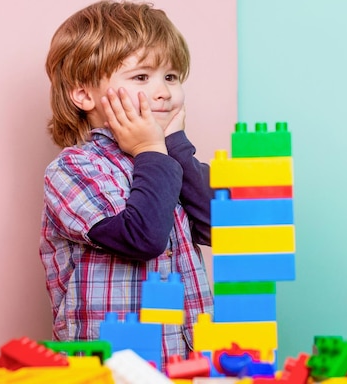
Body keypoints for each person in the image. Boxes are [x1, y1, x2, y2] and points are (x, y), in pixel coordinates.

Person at [39, 0, 214, 369]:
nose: (164, 92)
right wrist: (152, 149)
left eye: (171, 77)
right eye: (141, 77)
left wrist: (175, 148)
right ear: (84, 94)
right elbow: (142, 238)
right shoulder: (73, 168)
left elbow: (222, 229)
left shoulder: (170, 162)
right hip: (113, 368)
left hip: (188, 361)